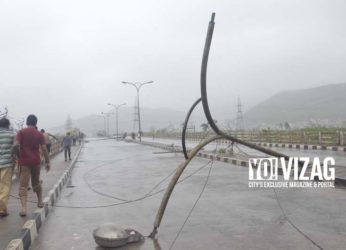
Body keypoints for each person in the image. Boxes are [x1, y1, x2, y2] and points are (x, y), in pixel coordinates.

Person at [13, 114, 50, 217]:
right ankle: (40, 202)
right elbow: (44, 149)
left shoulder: (21, 132)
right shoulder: (39, 134)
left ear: (27, 122)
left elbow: (16, 145)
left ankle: (24, 208)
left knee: (23, 185)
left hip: (24, 162)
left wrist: (16, 155)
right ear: (35, 123)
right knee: (36, 181)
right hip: (36, 162)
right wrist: (48, 162)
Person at [0, 117, 16, 217]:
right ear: (8, 125)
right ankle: (2, 209)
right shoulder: (12, 134)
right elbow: (16, 146)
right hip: (7, 163)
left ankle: (3, 208)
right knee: (5, 186)